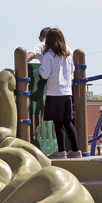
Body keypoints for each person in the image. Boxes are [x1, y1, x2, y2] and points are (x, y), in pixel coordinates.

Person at [39, 28, 81, 159]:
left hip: (54, 93)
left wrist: (40, 68)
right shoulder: (68, 54)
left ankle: (62, 151)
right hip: (67, 93)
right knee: (68, 122)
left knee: (58, 123)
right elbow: (73, 70)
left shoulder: (49, 55)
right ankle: (76, 150)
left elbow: (45, 74)